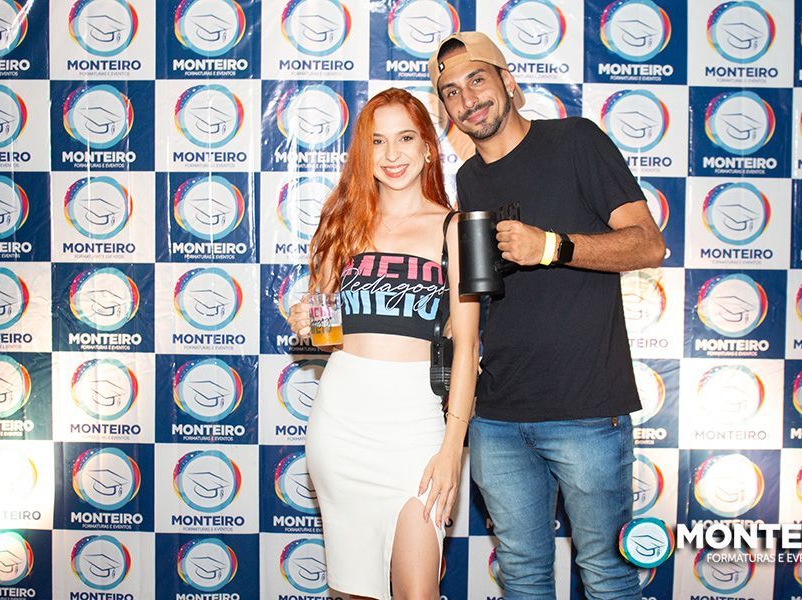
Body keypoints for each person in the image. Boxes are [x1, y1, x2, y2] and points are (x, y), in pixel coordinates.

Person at [428, 33, 666, 599]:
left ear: (509, 82)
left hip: (585, 410)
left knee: (607, 573)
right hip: (496, 416)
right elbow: (480, 296)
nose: (468, 99)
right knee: (522, 575)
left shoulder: (576, 140)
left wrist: (552, 246)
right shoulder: (469, 180)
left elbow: (648, 244)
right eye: (451, 91)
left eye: (477, 80)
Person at [285, 87, 479, 600]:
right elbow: (328, 327)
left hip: (417, 427)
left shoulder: (456, 229)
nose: (392, 154)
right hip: (343, 424)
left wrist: (451, 450)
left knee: (418, 592)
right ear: (363, 153)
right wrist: (305, 321)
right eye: (378, 141)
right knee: (356, 592)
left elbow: (467, 348)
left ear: (429, 148)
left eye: (405, 138)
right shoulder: (343, 225)